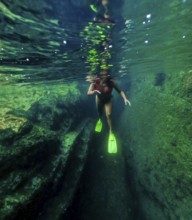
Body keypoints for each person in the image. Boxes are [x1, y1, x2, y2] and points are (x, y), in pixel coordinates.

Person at [87, 69, 131, 135]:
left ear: (108, 75)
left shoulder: (111, 82)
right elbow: (88, 93)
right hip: (99, 99)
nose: (104, 76)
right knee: (100, 112)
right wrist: (94, 91)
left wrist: (125, 98)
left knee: (109, 115)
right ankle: (100, 119)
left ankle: (111, 131)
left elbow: (120, 91)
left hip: (109, 99)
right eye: (102, 75)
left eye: (106, 75)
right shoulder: (95, 82)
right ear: (99, 75)